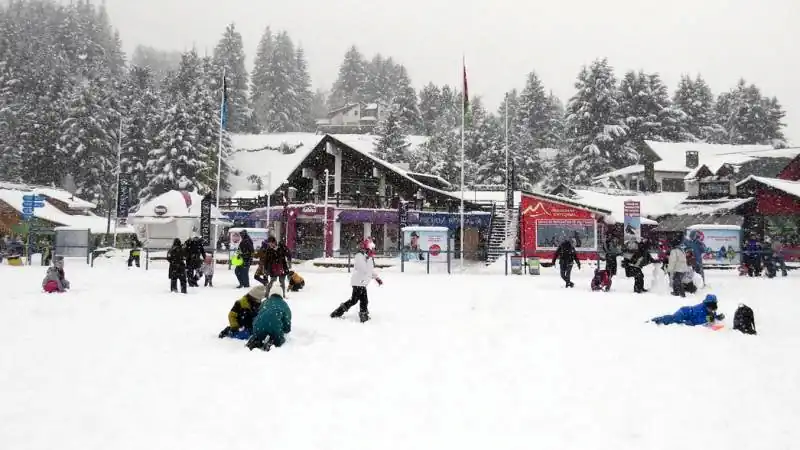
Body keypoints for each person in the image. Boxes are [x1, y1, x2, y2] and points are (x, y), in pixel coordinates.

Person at [330, 238, 383, 323]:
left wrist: (376, 278)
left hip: (362, 283)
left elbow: (370, 270)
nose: (373, 251)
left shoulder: (366, 257)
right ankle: (338, 312)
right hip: (358, 282)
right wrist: (369, 258)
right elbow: (364, 269)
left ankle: (363, 315)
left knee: (363, 300)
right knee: (354, 300)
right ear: (367, 248)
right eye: (371, 249)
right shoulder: (359, 256)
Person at [246, 286, 292, 351]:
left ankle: (256, 340)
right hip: (274, 327)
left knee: (259, 334)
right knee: (278, 339)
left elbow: (258, 313)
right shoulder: (284, 305)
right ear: (281, 294)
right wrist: (286, 329)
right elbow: (287, 321)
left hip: (258, 326)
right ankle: (272, 342)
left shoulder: (265, 302)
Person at [650, 294, 725, 326]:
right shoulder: (700, 310)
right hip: (683, 313)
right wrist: (708, 319)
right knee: (673, 319)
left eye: (712, 309)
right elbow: (696, 321)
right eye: (710, 308)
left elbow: (711, 315)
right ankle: (657, 320)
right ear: (706, 305)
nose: (711, 310)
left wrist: (716, 317)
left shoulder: (709, 309)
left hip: (686, 311)